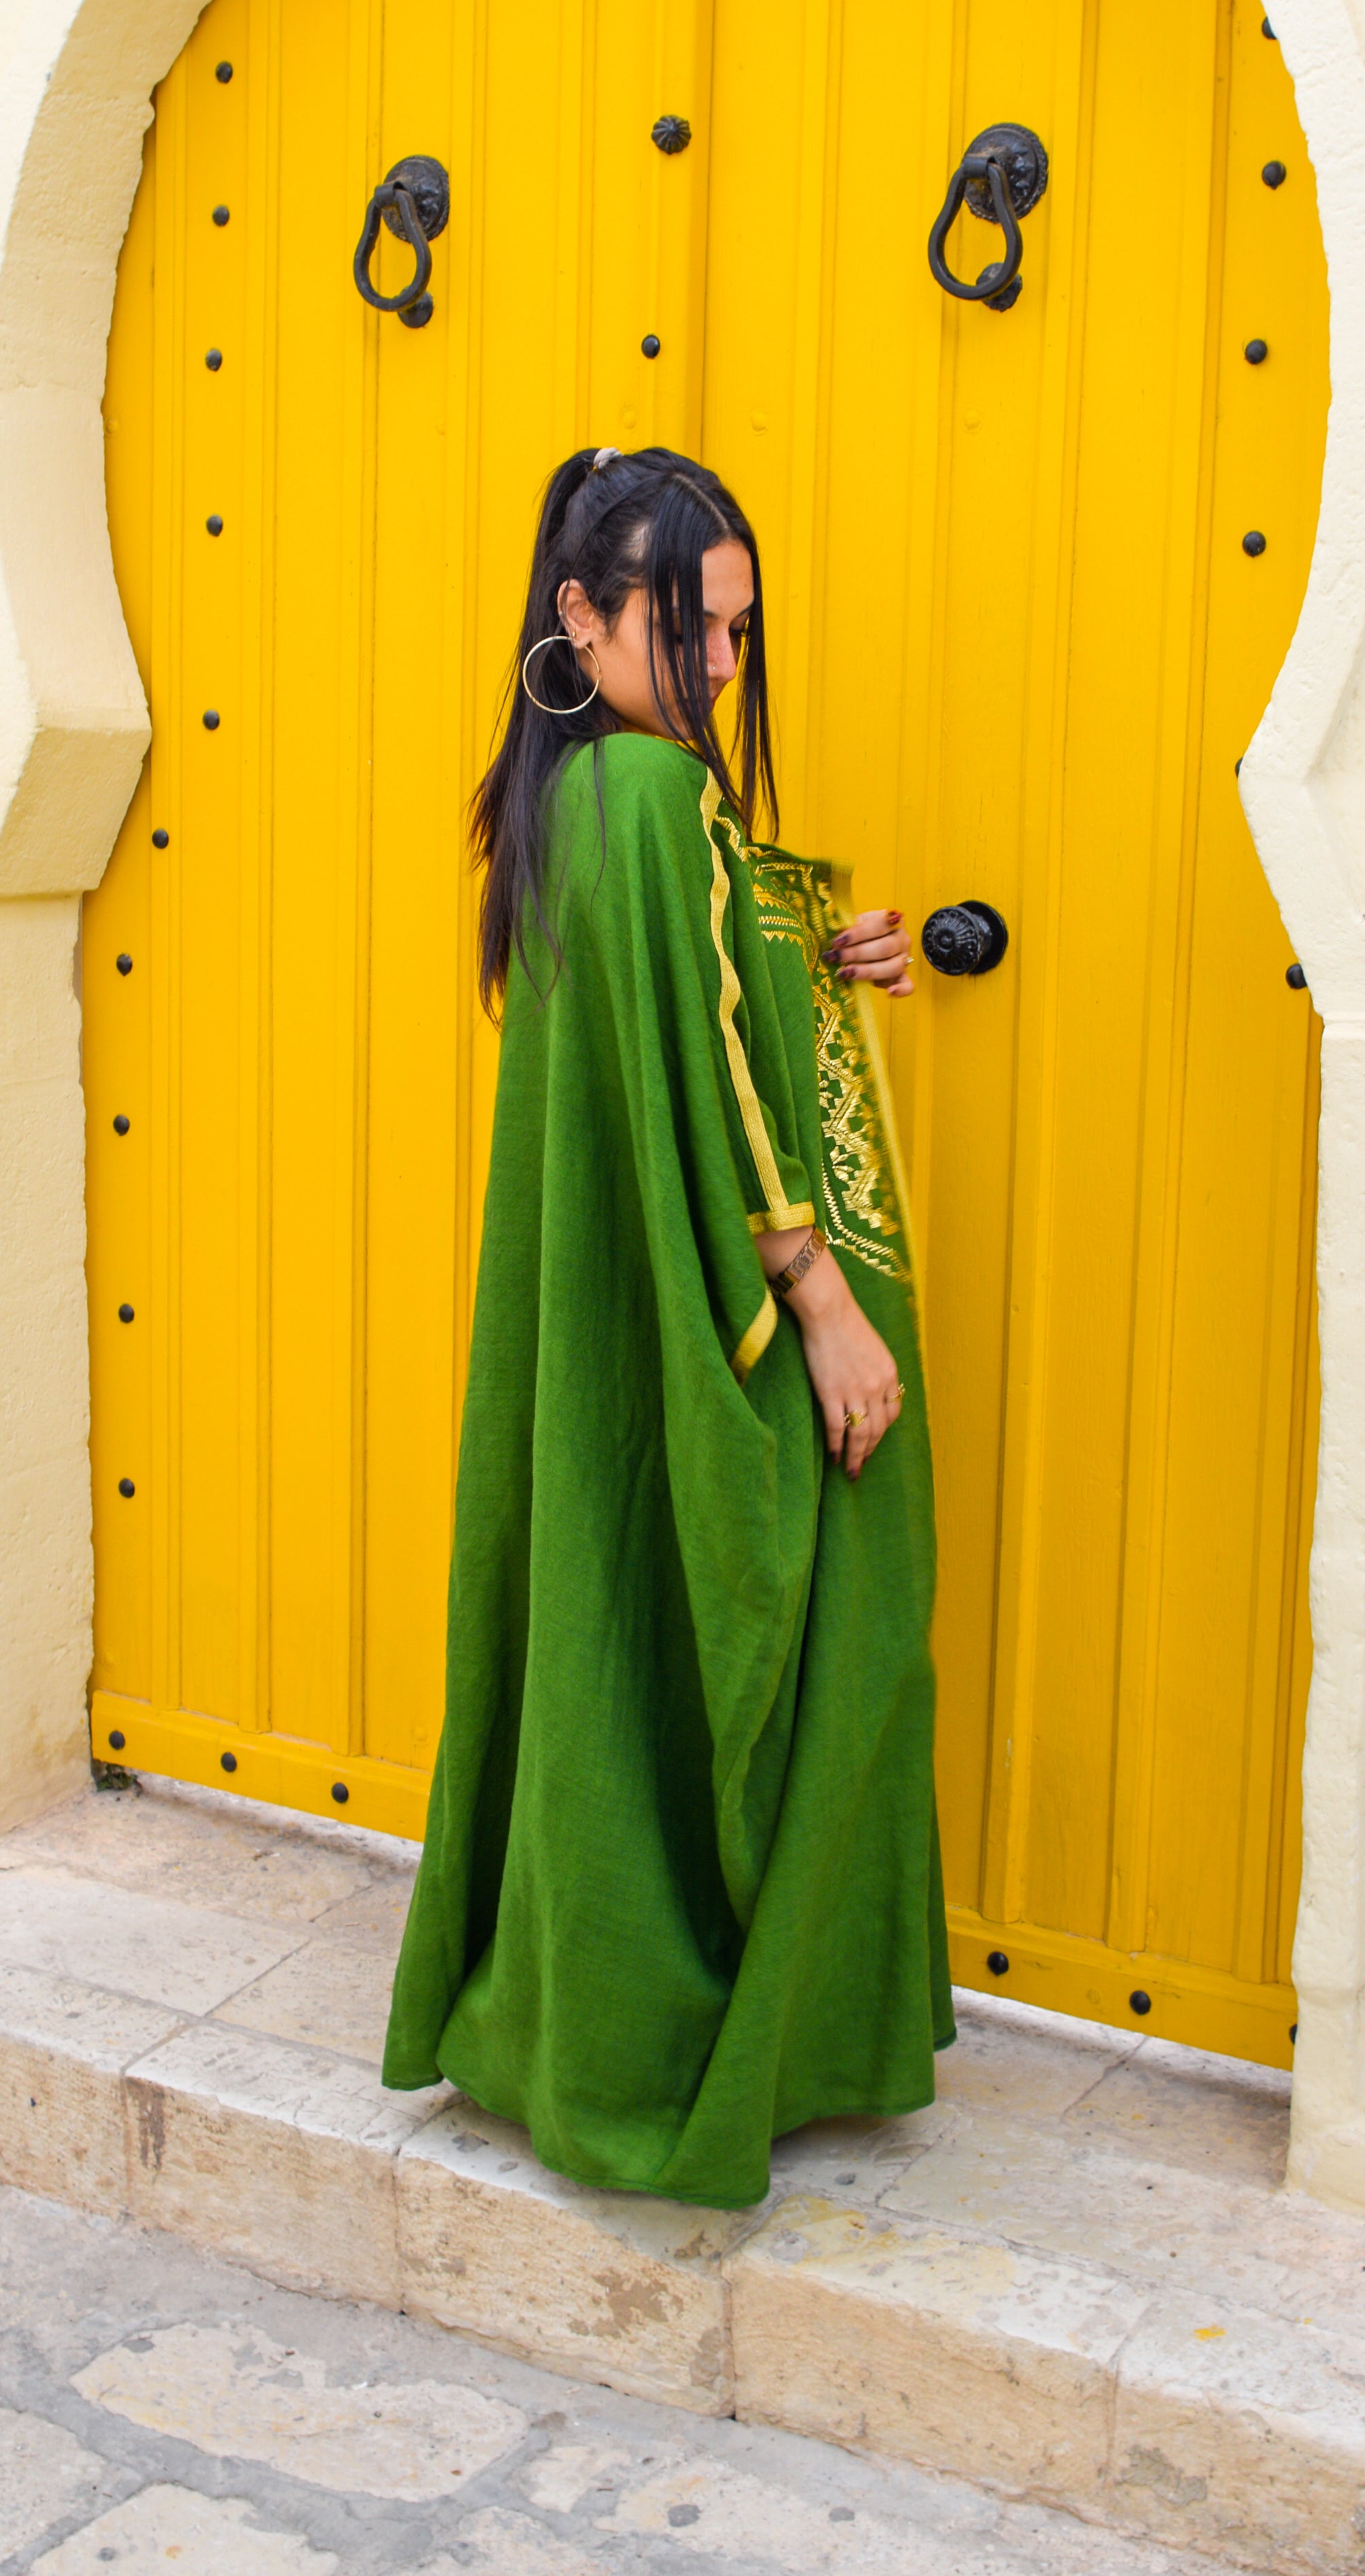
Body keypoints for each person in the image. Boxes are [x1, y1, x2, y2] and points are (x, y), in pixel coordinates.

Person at [382, 443, 953, 2207]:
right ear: (580, 615)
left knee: (614, 1639)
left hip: (620, 1324)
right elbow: (704, 1068)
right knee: (841, 1633)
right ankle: (745, 2046)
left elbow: (690, 1004)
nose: (719, 663)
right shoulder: (650, 793)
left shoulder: (573, 799)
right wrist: (826, 1307)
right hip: (736, 1310)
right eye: (686, 625)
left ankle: (598, 2021)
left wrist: (810, 950)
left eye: (738, 633)